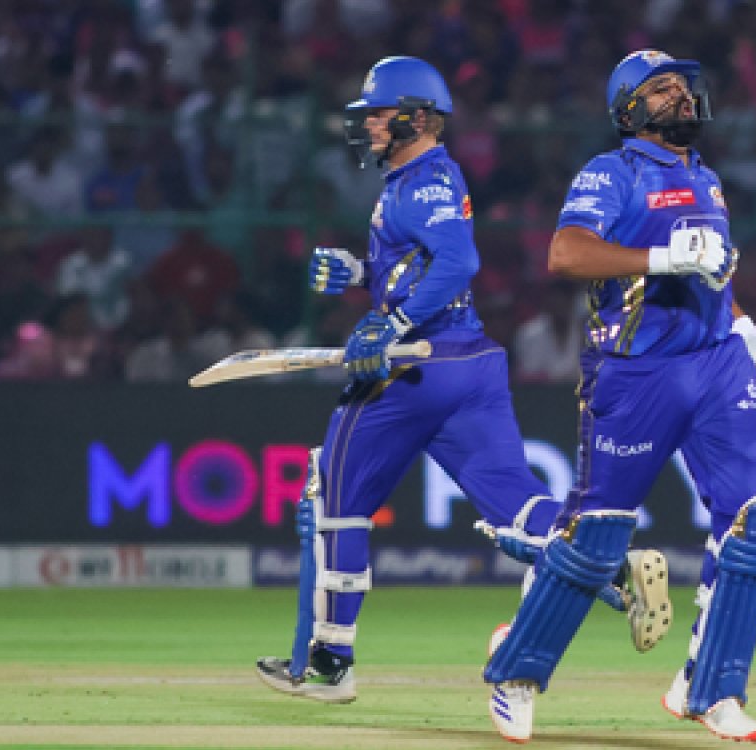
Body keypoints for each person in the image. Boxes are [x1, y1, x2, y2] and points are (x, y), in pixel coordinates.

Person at [253, 56, 671, 706]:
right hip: (469, 362)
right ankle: (610, 566)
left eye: (379, 115)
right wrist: (363, 274)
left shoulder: (421, 181)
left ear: (418, 118)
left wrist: (389, 322)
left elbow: (457, 261)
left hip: (415, 366)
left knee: (329, 496)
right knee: (517, 505)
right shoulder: (422, 179)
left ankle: (329, 662)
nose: (367, 126)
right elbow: (424, 264)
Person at [482, 50, 756, 743]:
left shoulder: (706, 177)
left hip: (716, 366)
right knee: (596, 538)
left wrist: (748, 331)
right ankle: (516, 671)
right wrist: (663, 258)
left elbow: (711, 277)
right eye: (662, 88)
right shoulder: (612, 172)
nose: (681, 95)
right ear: (629, 109)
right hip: (635, 370)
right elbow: (566, 253)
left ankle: (711, 688)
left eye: (684, 84)